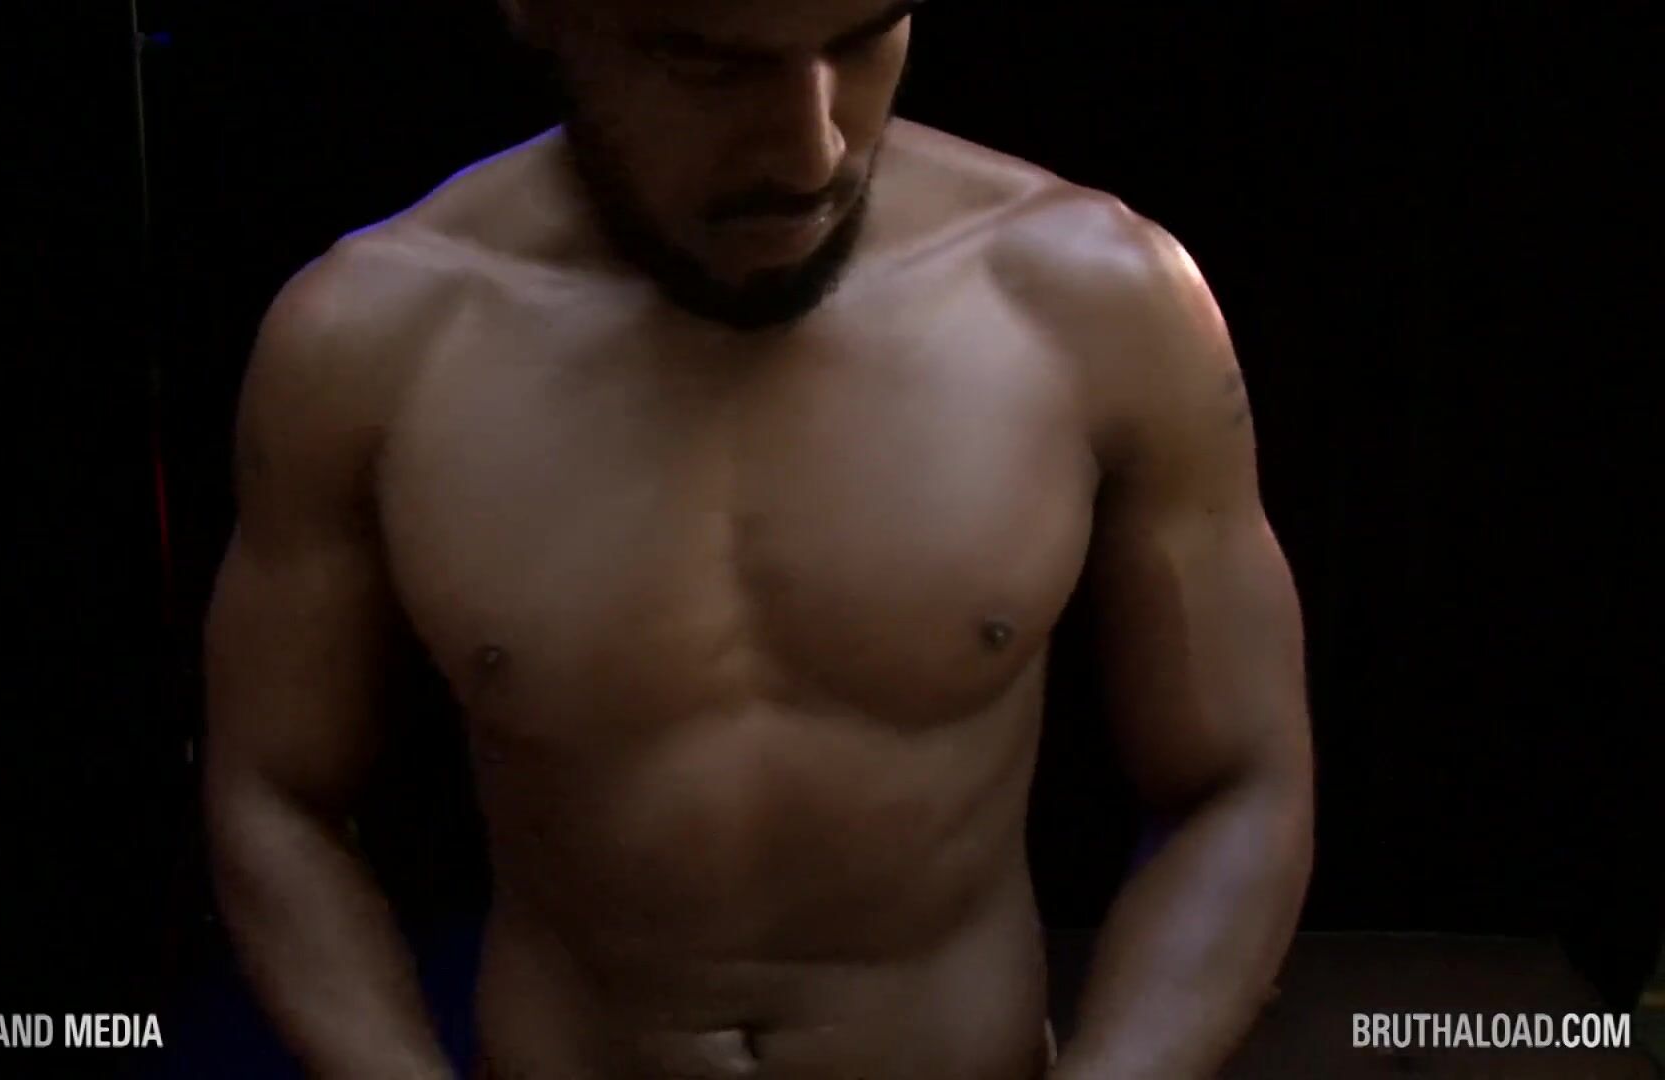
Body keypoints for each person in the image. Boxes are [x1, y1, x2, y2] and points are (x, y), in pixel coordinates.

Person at [200, 1, 1316, 1077]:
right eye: (712, 66)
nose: (810, 150)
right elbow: (273, 791)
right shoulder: (369, 343)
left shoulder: (1099, 299)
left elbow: (1238, 778)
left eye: (864, 40)